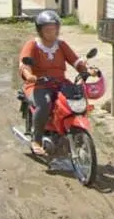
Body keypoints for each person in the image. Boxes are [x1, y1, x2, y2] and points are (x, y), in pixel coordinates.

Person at [18, 9, 90, 157]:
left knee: (75, 100)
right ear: (40, 30)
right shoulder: (32, 45)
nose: (52, 32)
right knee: (44, 103)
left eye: (54, 29)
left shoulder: (61, 45)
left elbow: (75, 61)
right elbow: (24, 65)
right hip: (38, 85)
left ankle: (67, 131)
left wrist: (86, 69)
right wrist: (29, 75)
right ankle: (36, 140)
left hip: (60, 83)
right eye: (48, 30)